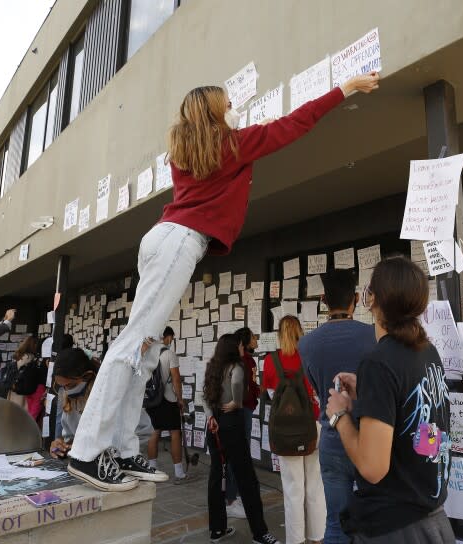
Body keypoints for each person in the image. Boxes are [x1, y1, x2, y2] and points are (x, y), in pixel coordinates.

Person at [67, 72, 380, 491]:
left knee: (144, 349)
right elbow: (295, 123)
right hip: (179, 243)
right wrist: (344, 88)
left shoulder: (187, 149)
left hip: (164, 240)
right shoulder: (231, 145)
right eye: (229, 105)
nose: (236, 110)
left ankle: (124, 450)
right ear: (216, 114)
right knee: (133, 344)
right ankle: (87, 451)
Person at [326, 257, 453, 543]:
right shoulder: (427, 353)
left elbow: (372, 468)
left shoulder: (379, 363)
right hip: (433, 519)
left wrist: (340, 416)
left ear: (372, 299)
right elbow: (426, 433)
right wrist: (375, 398)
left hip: (395, 527)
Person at [299, 269, 376, 544]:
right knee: (375, 519)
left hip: (331, 437)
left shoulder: (306, 343)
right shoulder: (374, 336)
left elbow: (318, 390)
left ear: (323, 300)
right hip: (370, 436)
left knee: (336, 522)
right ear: (356, 298)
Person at [204, 334, 280, 544]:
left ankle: (217, 529)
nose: (242, 348)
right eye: (239, 345)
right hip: (231, 424)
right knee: (247, 479)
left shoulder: (212, 367)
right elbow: (238, 397)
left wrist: (211, 415)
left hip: (214, 425)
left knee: (216, 477)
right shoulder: (237, 367)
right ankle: (259, 533)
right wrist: (235, 404)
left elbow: (204, 396)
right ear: (232, 348)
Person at [262, 316, 325, 544]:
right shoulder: (310, 356)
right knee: (316, 487)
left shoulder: (270, 361)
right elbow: (320, 391)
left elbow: (271, 396)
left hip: (285, 430)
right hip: (313, 426)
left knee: (292, 490)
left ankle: (295, 540)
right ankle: (317, 538)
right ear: (300, 332)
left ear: (279, 334)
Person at [224, 326, 261, 519]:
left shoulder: (228, 362)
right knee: (239, 456)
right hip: (244, 409)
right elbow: (252, 386)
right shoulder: (247, 361)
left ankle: (232, 496)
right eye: (254, 337)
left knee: (234, 455)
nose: (257, 339)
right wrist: (256, 393)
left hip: (233, 411)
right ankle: (232, 499)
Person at [145, 327, 188, 483]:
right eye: (172, 338)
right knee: (175, 433)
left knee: (154, 433)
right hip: (168, 399)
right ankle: (178, 471)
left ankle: (152, 469)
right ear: (168, 337)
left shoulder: (147, 353)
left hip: (151, 400)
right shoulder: (169, 354)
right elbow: (176, 379)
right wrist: (180, 399)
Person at [49, 348, 98, 459]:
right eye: (62, 386)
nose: (67, 391)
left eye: (71, 386)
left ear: (88, 376)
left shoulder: (107, 398)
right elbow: (70, 438)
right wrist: (60, 444)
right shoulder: (69, 402)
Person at [7, 337, 46, 422]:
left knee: (14, 414)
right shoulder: (29, 358)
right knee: (22, 416)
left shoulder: (18, 355)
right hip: (23, 390)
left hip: (14, 389)